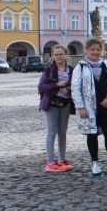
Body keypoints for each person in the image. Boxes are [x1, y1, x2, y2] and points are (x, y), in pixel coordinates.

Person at [72, 38, 107, 175]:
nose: (95, 52)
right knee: (92, 134)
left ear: (102, 51)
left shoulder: (106, 64)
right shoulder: (81, 66)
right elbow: (75, 88)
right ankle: (95, 162)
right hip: (89, 107)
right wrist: (80, 107)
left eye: (98, 49)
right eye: (92, 49)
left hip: (105, 105)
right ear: (87, 50)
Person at [38, 44, 75, 172]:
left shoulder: (71, 69)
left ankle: (62, 159)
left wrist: (68, 90)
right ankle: (50, 161)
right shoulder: (49, 70)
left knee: (63, 132)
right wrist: (56, 84)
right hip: (52, 104)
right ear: (53, 56)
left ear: (66, 55)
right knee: (52, 131)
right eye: (56, 54)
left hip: (65, 103)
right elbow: (41, 87)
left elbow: (76, 85)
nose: (59, 56)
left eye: (61, 54)